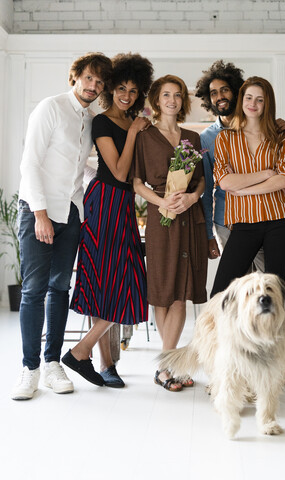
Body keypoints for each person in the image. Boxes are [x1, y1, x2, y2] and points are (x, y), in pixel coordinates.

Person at [12, 52, 112, 400]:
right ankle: (30, 369)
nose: (93, 86)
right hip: (38, 210)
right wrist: (40, 214)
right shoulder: (50, 108)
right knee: (33, 290)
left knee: (59, 289)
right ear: (76, 77)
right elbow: (31, 163)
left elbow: (80, 166)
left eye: (100, 83)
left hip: (71, 212)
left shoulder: (91, 118)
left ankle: (53, 363)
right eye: (89, 78)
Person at [63, 53, 154, 387]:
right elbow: (117, 171)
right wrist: (132, 133)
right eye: (120, 88)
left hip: (123, 204)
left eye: (133, 90)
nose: (126, 95)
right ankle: (89, 355)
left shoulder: (136, 122)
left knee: (123, 281)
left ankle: (92, 356)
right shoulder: (102, 122)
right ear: (110, 89)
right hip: (104, 201)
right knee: (110, 281)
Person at [133, 75, 208, 392]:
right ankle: (169, 365)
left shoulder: (193, 136)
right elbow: (137, 183)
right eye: (166, 95)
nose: (172, 100)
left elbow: (202, 181)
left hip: (189, 218)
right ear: (156, 100)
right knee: (162, 290)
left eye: (178, 95)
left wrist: (191, 198)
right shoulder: (145, 136)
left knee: (181, 290)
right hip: (160, 217)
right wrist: (163, 200)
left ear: (183, 101)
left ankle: (166, 366)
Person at [195, 61, 285, 277]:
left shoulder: (269, 128)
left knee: (267, 285)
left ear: (236, 92)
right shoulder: (207, 138)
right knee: (236, 290)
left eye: (225, 90)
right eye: (213, 93)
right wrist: (208, 234)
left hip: (265, 215)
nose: (219, 96)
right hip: (226, 222)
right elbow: (208, 189)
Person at [211, 76, 285, 296]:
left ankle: (274, 331)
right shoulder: (225, 139)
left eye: (259, 100)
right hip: (244, 222)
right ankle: (224, 331)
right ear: (241, 100)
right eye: (249, 97)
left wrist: (242, 189)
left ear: (266, 104)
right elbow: (225, 181)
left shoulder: (281, 137)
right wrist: (267, 174)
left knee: (273, 292)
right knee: (222, 292)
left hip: (279, 220)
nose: (253, 103)